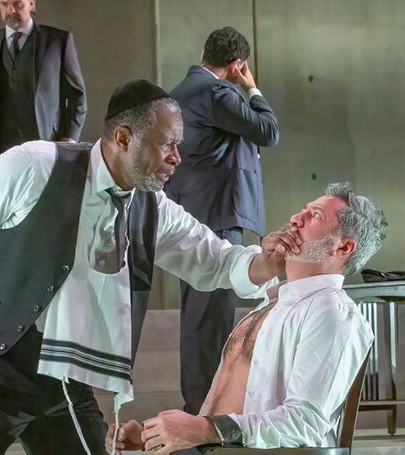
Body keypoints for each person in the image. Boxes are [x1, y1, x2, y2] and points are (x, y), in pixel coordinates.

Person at [0, 79, 295, 455]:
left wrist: (262, 264)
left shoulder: (151, 206)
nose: (178, 157)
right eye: (168, 145)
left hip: (62, 374)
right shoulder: (37, 165)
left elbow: (211, 256)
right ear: (123, 138)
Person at [106, 182, 387, 454]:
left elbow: (306, 423)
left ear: (343, 248)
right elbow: (227, 411)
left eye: (314, 216)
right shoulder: (272, 304)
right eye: (303, 209)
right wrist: (152, 435)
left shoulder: (331, 313)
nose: (295, 219)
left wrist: (201, 430)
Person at [164, 26, 280, 415]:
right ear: (236, 66)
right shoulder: (216, 92)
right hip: (215, 216)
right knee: (210, 321)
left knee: (199, 318)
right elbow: (267, 131)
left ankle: (201, 406)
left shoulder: (183, 90)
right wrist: (252, 88)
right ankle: (204, 413)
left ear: (203, 51)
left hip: (194, 212)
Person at [0, 0, 87, 167]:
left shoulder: (59, 41)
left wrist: (69, 139)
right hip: (1, 151)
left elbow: (78, 97)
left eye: (18, 4)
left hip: (48, 147)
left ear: (31, 3)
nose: (11, 10)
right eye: (4, 4)